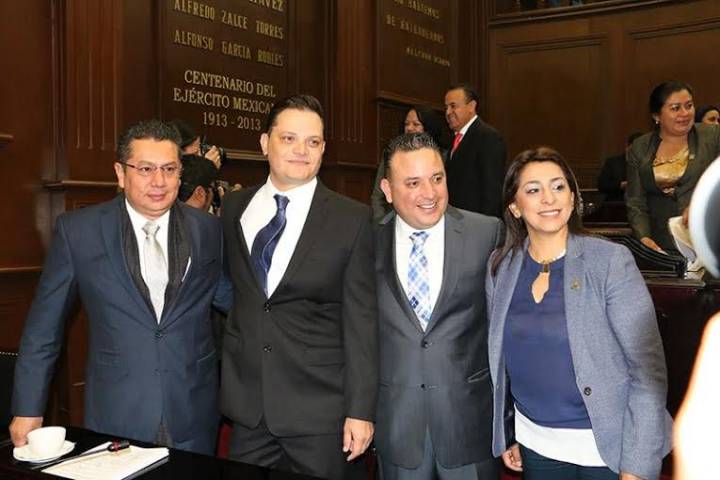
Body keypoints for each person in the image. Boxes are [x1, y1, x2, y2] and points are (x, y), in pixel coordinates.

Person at [10, 120, 232, 455]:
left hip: (193, 407)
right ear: (120, 173)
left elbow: (231, 298)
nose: (159, 181)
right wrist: (28, 408)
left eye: (169, 169)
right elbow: (44, 327)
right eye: (145, 169)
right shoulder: (79, 232)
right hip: (118, 409)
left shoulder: (208, 229)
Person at [487, 147, 672, 480]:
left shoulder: (609, 262)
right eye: (533, 190)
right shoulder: (500, 266)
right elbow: (501, 363)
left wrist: (637, 463)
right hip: (536, 442)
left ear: (573, 198)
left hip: (606, 445)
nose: (549, 198)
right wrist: (508, 429)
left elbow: (648, 370)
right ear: (514, 206)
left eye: (558, 187)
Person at [220, 94, 378, 479]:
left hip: (320, 411)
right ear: (265, 143)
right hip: (250, 408)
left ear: (323, 149)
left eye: (313, 142)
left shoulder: (352, 218)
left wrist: (361, 410)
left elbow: (362, 321)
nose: (301, 151)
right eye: (289, 138)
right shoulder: (234, 208)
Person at [374, 132, 502, 480]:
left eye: (437, 178)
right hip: (398, 427)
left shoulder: (487, 234)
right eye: (413, 183)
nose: (429, 193)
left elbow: (504, 332)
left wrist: (508, 421)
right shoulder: (367, 242)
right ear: (387, 190)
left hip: (469, 423)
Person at [626, 80, 720, 253]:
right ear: (657, 116)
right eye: (676, 108)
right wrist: (643, 236)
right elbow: (636, 201)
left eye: (689, 106)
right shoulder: (640, 147)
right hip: (660, 245)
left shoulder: (712, 136)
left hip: (709, 239)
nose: (685, 113)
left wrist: (702, 204)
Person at [370, 105, 448, 222]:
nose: (410, 128)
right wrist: (380, 221)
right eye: (407, 124)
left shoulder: (443, 156)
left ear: (428, 127)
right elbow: (377, 196)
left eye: (416, 124)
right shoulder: (391, 154)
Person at [444, 83, 507, 218]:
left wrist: (487, 226)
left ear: (471, 106)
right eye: (446, 107)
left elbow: (492, 191)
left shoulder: (488, 137)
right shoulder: (453, 139)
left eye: (453, 106)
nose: (448, 112)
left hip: (476, 222)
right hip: (454, 219)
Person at [596, 132, 642, 202]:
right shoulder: (613, 162)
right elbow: (602, 185)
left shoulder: (646, 164)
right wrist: (621, 185)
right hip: (616, 203)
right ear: (628, 146)